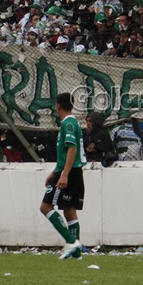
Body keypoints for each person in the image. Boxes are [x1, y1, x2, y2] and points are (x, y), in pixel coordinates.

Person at [39, 91, 86, 260]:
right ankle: (76, 253)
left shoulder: (69, 124)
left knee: (45, 207)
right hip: (72, 171)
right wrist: (54, 173)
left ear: (58, 106)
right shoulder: (71, 123)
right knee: (69, 210)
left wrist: (63, 175)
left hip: (69, 172)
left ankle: (71, 242)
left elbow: (72, 149)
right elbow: (66, 153)